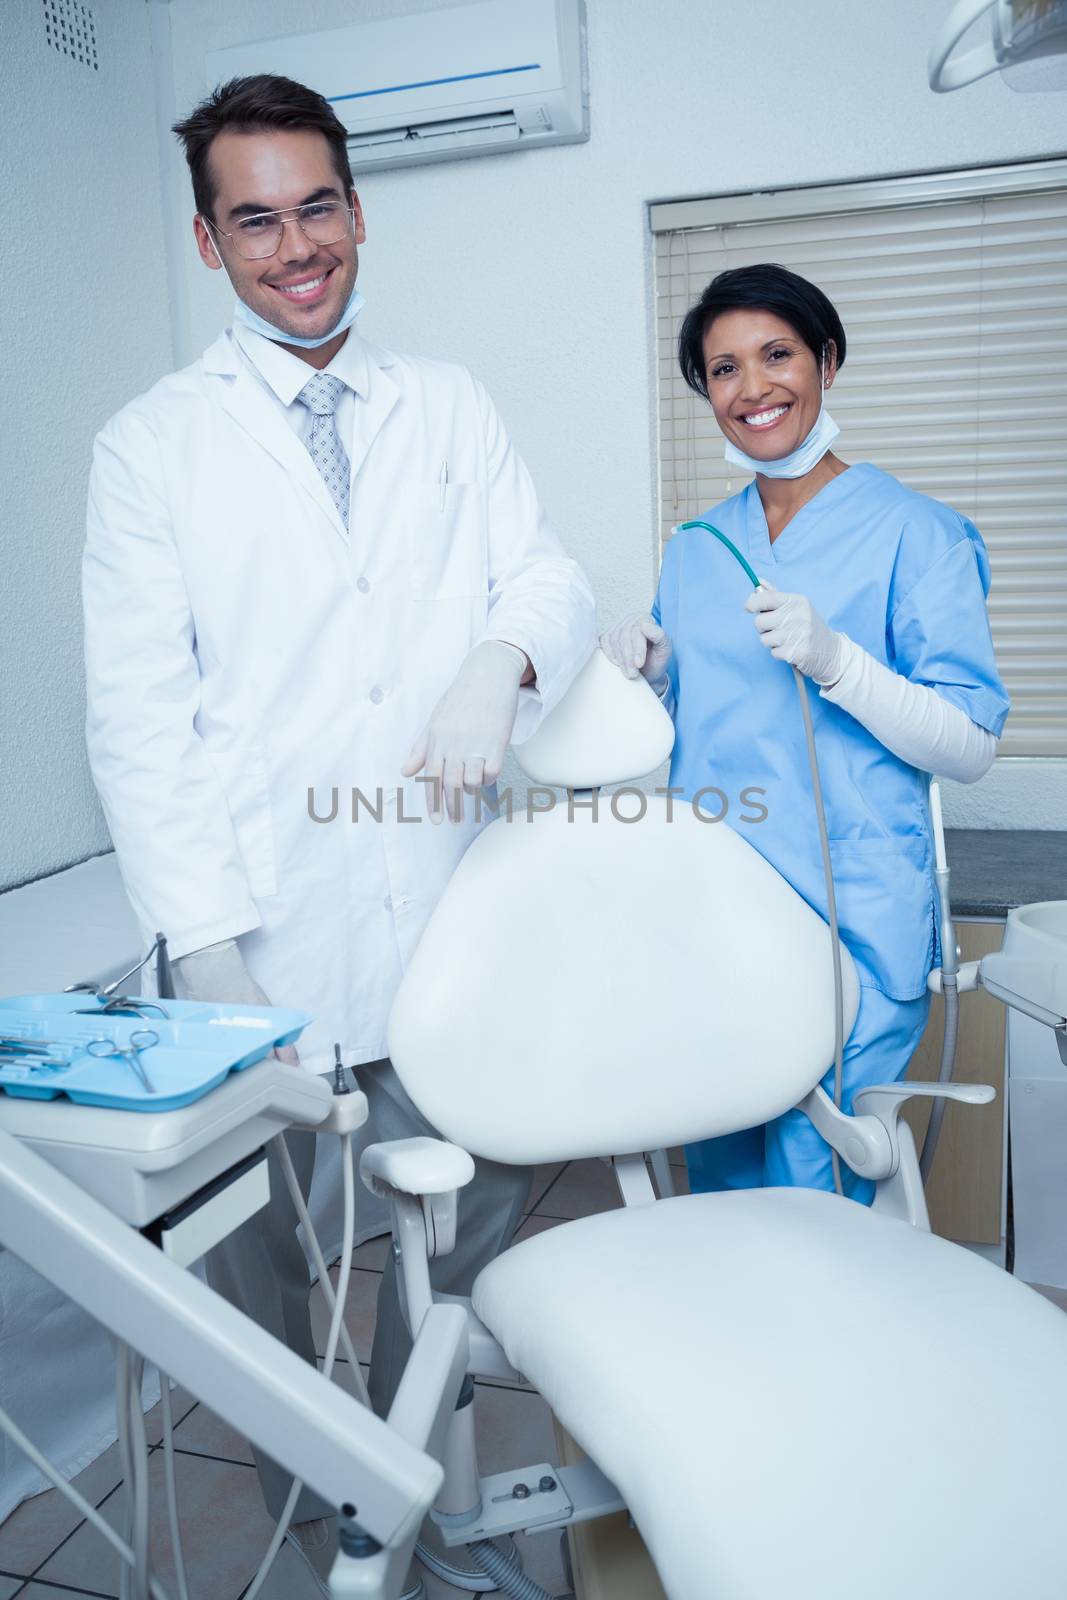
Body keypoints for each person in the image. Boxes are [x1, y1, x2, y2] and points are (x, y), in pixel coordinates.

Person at [83, 73, 595, 1598]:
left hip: (442, 901)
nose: (295, 245)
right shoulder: (150, 447)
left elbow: (547, 581)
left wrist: (490, 668)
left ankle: (412, 1482)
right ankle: (333, 1531)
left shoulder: (448, 404)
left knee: (463, 1206)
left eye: (317, 207)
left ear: (357, 212)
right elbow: (137, 718)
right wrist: (215, 954)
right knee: (261, 1277)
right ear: (207, 241)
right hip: (262, 930)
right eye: (256, 219)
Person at [601, 262, 1009, 1205]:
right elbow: (696, 736)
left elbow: (970, 748)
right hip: (721, 918)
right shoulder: (696, 550)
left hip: (856, 924)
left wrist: (839, 663)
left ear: (825, 360)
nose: (753, 388)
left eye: (776, 354)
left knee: (810, 1186)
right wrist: (648, 683)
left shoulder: (918, 533)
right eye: (724, 369)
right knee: (720, 1168)